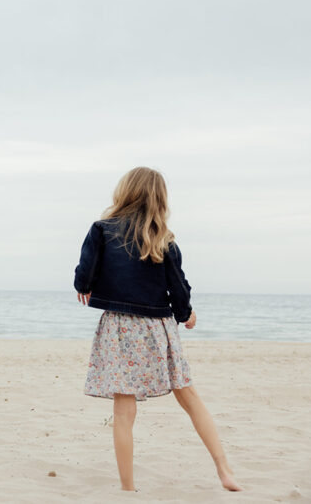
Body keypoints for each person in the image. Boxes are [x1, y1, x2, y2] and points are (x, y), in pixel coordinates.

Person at [74, 167, 241, 492]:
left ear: (124, 192)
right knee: (189, 395)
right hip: (158, 327)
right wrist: (186, 314)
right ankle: (224, 469)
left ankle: (127, 488)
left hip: (120, 327)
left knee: (124, 409)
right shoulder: (164, 240)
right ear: (160, 199)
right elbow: (178, 288)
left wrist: (86, 285)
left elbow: (84, 277)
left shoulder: (101, 230)